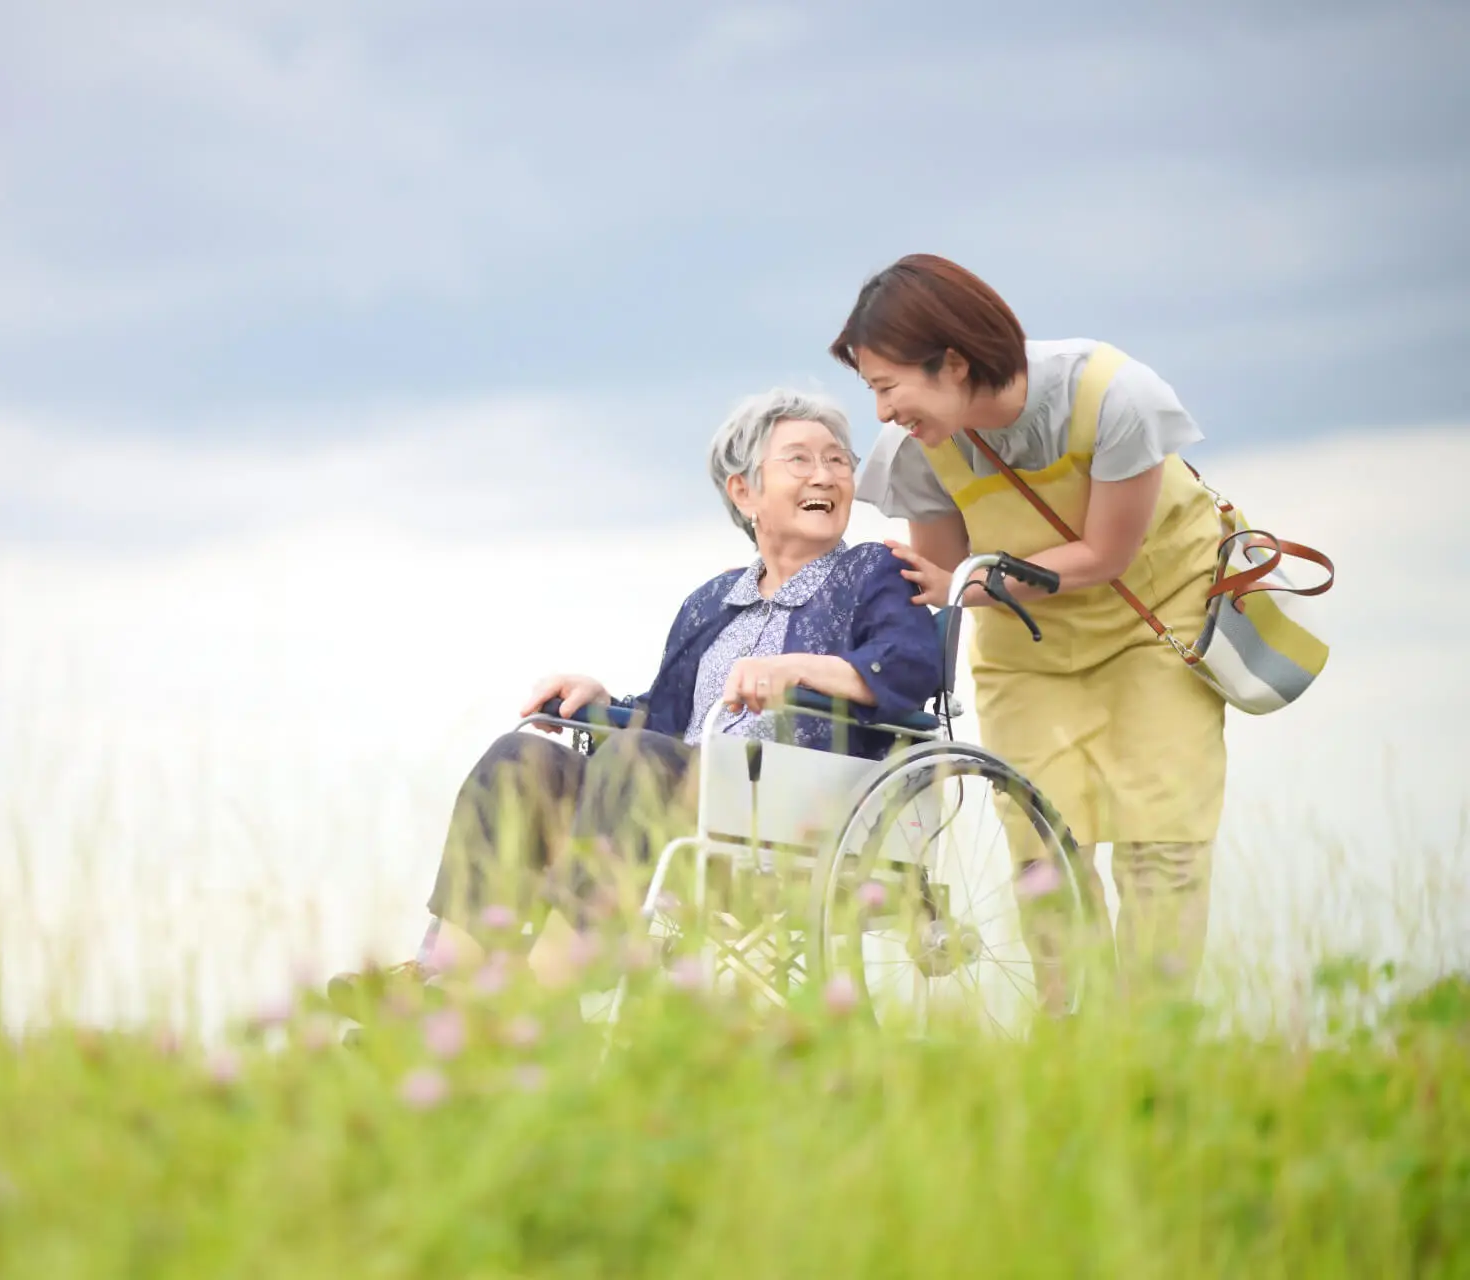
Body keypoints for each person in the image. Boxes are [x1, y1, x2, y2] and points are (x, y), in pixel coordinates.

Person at [330, 390, 944, 1008]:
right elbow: (669, 722)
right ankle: (449, 973)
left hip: (807, 820)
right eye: (800, 460)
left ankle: (542, 982)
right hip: (693, 809)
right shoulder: (712, 603)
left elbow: (911, 666)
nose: (825, 475)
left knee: (635, 762)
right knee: (519, 760)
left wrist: (800, 668)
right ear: (744, 493)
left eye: (837, 460)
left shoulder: (873, 572)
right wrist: (603, 700)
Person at [831, 252, 1227, 1001]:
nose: (882, 413)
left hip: (1153, 622)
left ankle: (1156, 1042)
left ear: (951, 361)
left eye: (887, 387)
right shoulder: (916, 451)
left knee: (1161, 848)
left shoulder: (1114, 398)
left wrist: (973, 582)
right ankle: (1073, 1042)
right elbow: (943, 582)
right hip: (1028, 651)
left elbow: (1106, 554)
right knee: (1045, 857)